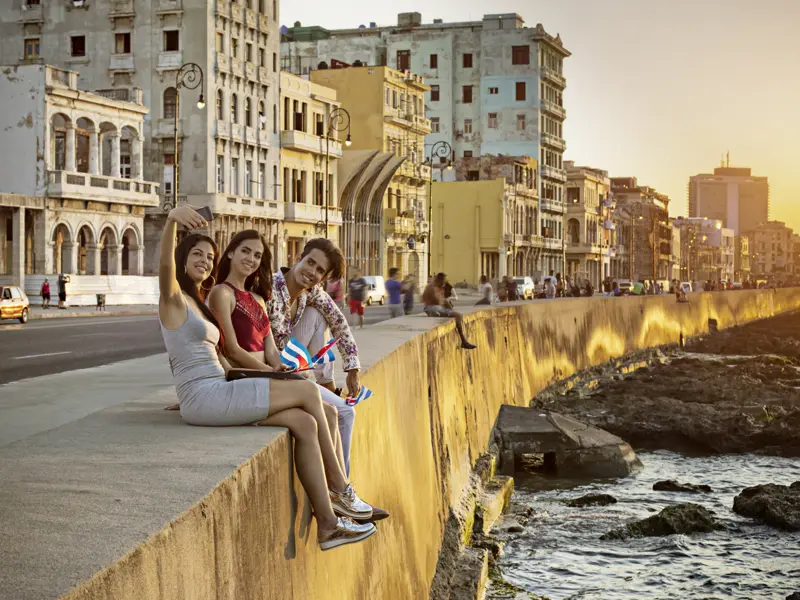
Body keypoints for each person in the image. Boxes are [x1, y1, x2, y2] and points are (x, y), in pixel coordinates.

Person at [156, 206, 376, 550]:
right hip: (207, 398)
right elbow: (165, 268)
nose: (204, 260)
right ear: (182, 259)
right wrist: (171, 220)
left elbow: (212, 357)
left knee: (305, 423)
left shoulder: (199, 302)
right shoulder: (173, 299)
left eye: (209, 256)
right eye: (196, 254)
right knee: (307, 392)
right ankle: (341, 488)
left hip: (215, 390)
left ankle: (329, 526)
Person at [423, 273, 477, 350]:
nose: (445, 283)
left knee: (455, 313)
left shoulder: (432, 286)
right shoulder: (434, 287)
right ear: (440, 280)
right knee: (458, 315)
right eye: (444, 281)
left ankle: (464, 340)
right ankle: (463, 341)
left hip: (431, 308)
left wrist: (449, 308)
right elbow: (439, 301)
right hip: (433, 308)